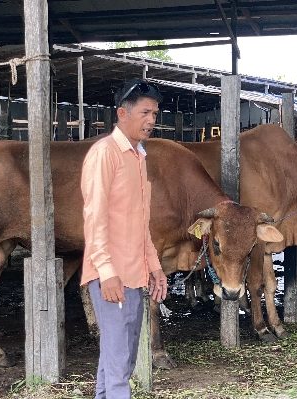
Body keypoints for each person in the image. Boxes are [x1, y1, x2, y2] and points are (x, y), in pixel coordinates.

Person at [81, 78, 168, 399]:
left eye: (155, 114)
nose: (151, 120)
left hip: (134, 275)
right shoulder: (104, 154)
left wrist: (155, 267)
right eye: (145, 112)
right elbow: (94, 217)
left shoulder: (139, 156)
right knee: (119, 367)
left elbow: (139, 223)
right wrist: (106, 272)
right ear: (122, 113)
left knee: (119, 361)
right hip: (112, 276)